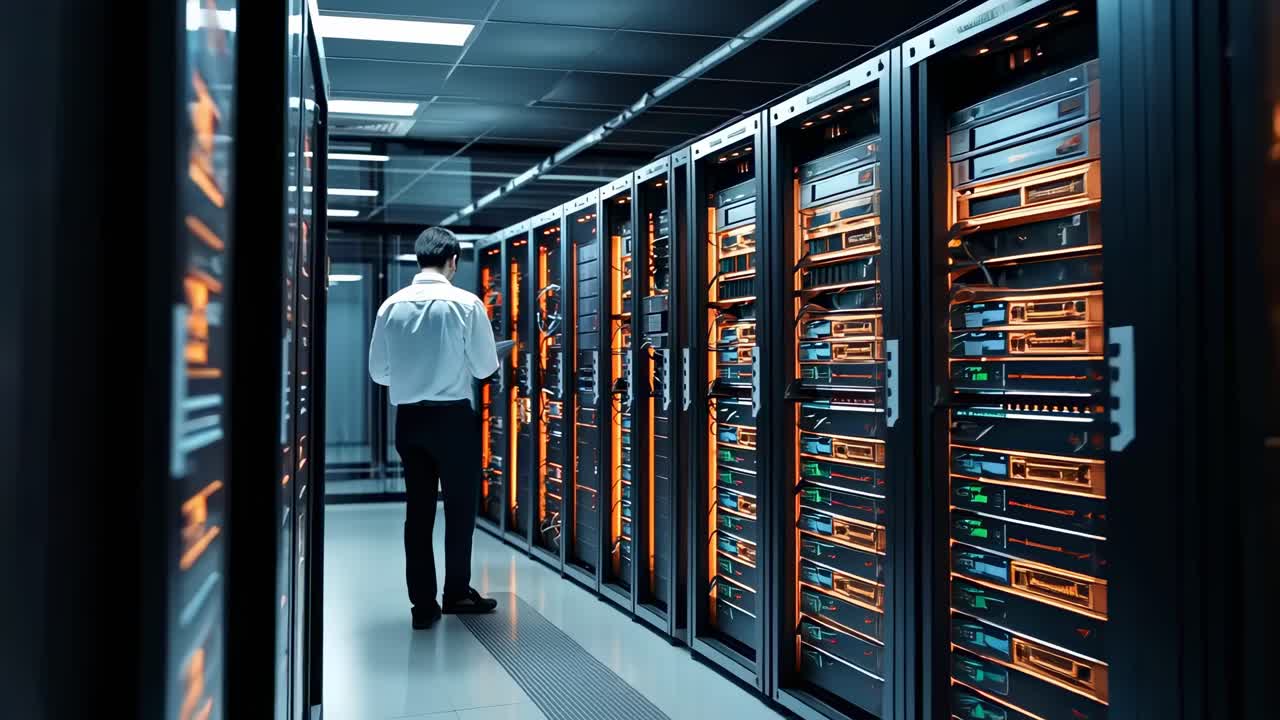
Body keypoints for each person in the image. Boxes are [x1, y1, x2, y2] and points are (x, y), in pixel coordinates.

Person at [368, 227, 502, 629]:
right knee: (460, 511)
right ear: (454, 261)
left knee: (418, 513)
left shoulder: (390, 306)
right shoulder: (466, 303)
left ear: (417, 259)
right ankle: (456, 592)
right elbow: (484, 368)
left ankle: (423, 606)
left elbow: (379, 372)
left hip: (410, 421)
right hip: (453, 420)